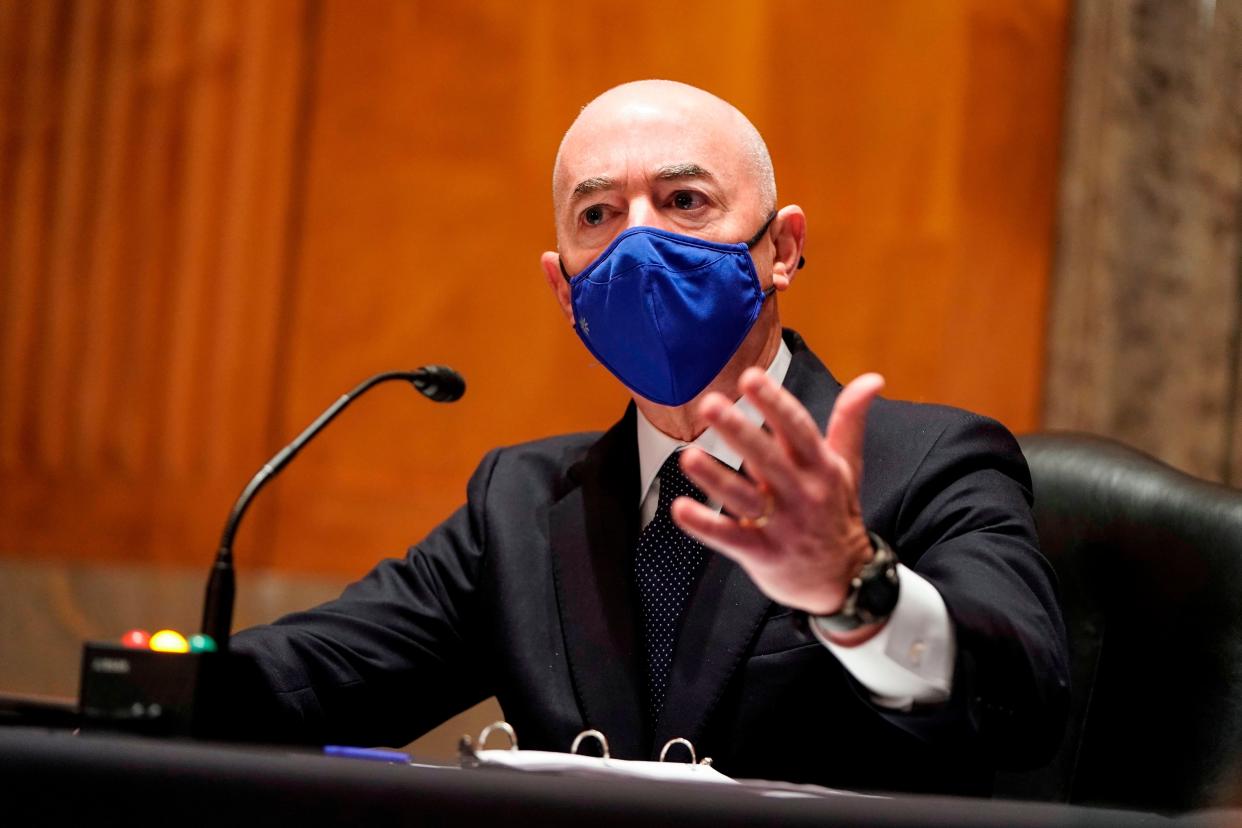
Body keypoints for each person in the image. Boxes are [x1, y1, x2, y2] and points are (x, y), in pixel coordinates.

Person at [230, 80, 1069, 796]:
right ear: (565, 289)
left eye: (684, 202)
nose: (639, 243)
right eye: (598, 214)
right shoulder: (519, 504)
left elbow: (1022, 705)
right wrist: (146, 688)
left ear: (782, 248)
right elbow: (317, 674)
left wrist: (854, 583)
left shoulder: (931, 464)